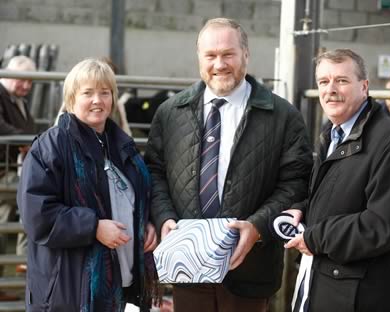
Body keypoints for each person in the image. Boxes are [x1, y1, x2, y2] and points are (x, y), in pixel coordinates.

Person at [145, 17, 313, 312]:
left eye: (228, 54)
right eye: (210, 55)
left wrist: (258, 227)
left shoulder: (283, 116)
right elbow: (155, 173)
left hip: (250, 269)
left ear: (246, 55)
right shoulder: (170, 113)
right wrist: (164, 218)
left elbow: (295, 184)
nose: (219, 64)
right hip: (188, 268)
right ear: (199, 58)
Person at [285, 49, 390, 312]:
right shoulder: (332, 134)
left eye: (342, 81)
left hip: (359, 296)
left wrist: (316, 238)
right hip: (326, 283)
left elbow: (384, 224)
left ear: (364, 86)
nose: (331, 89)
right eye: (324, 82)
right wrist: (302, 210)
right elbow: (335, 194)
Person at [17, 58, 158, 311]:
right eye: (88, 93)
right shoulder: (50, 147)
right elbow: (37, 215)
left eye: (105, 93)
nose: (98, 100)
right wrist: (93, 227)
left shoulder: (122, 146)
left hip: (120, 287)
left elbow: (136, 196)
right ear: (71, 99)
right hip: (69, 293)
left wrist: (146, 223)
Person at [0, 55, 37, 276]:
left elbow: (28, 128)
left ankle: (4, 281)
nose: (26, 86)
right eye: (21, 80)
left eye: (30, 81)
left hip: (9, 168)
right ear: (8, 74)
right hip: (3, 170)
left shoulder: (18, 100)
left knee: (3, 222)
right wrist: (26, 140)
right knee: (33, 192)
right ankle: (24, 257)